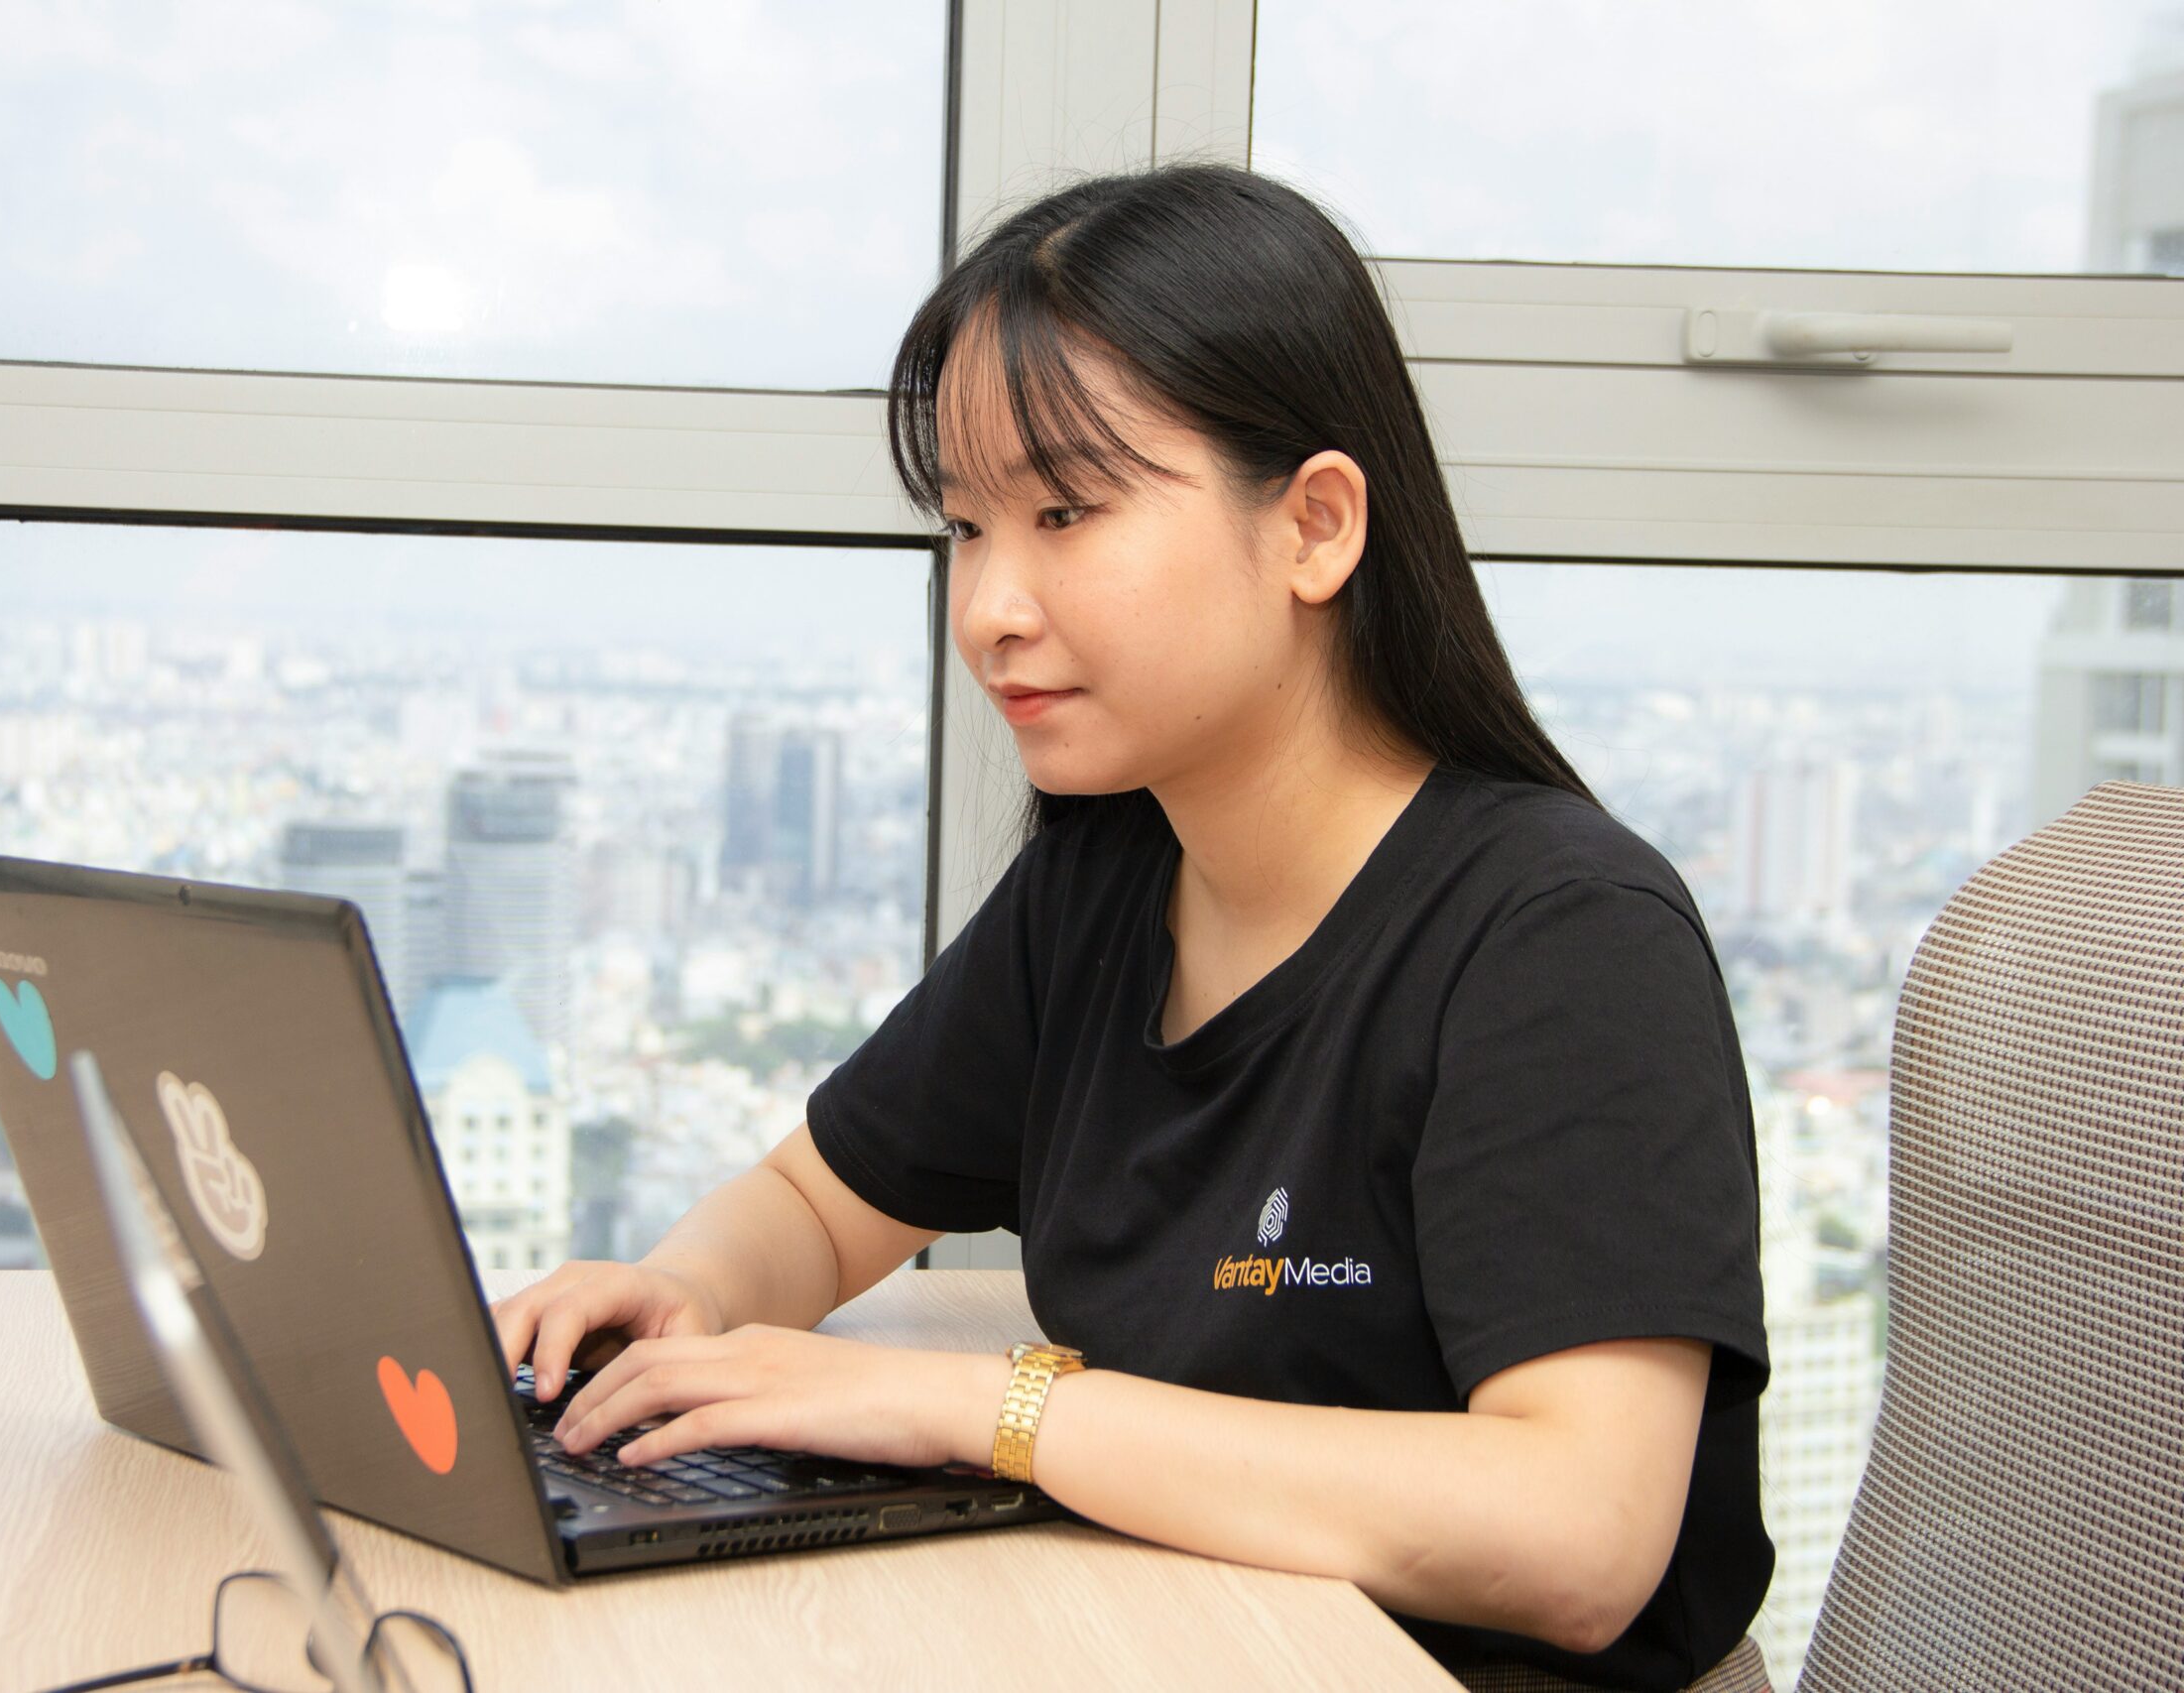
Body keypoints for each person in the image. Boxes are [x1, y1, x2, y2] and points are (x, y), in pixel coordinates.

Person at [490, 163, 1771, 1693]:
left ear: (1313, 526)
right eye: (966, 526)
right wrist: (691, 1295)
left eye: (1066, 510)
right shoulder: (1108, 879)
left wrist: (984, 1413)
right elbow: (827, 1202)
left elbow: (1579, 1535)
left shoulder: (1561, 939)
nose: (988, 608)